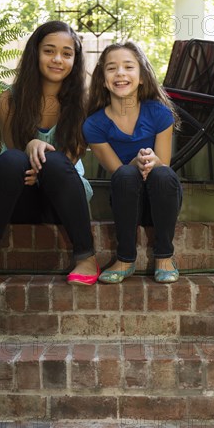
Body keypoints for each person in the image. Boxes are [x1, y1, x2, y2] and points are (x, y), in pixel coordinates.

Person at [0, 21, 100, 288]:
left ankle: (87, 258)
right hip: (21, 197)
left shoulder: (84, 104)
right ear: (35, 54)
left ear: (75, 60)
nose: (57, 59)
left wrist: (39, 156)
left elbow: (69, 161)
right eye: (49, 51)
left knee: (52, 160)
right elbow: (13, 153)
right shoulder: (8, 100)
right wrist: (29, 145)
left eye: (66, 53)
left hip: (63, 202)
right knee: (11, 160)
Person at [83, 41, 182, 284]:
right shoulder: (94, 125)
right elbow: (120, 175)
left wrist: (153, 161)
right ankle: (125, 258)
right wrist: (135, 162)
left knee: (163, 175)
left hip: (161, 199)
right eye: (112, 68)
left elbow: (164, 168)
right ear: (103, 79)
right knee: (126, 175)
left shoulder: (160, 114)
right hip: (127, 201)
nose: (120, 73)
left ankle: (164, 257)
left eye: (128, 67)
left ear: (141, 77)